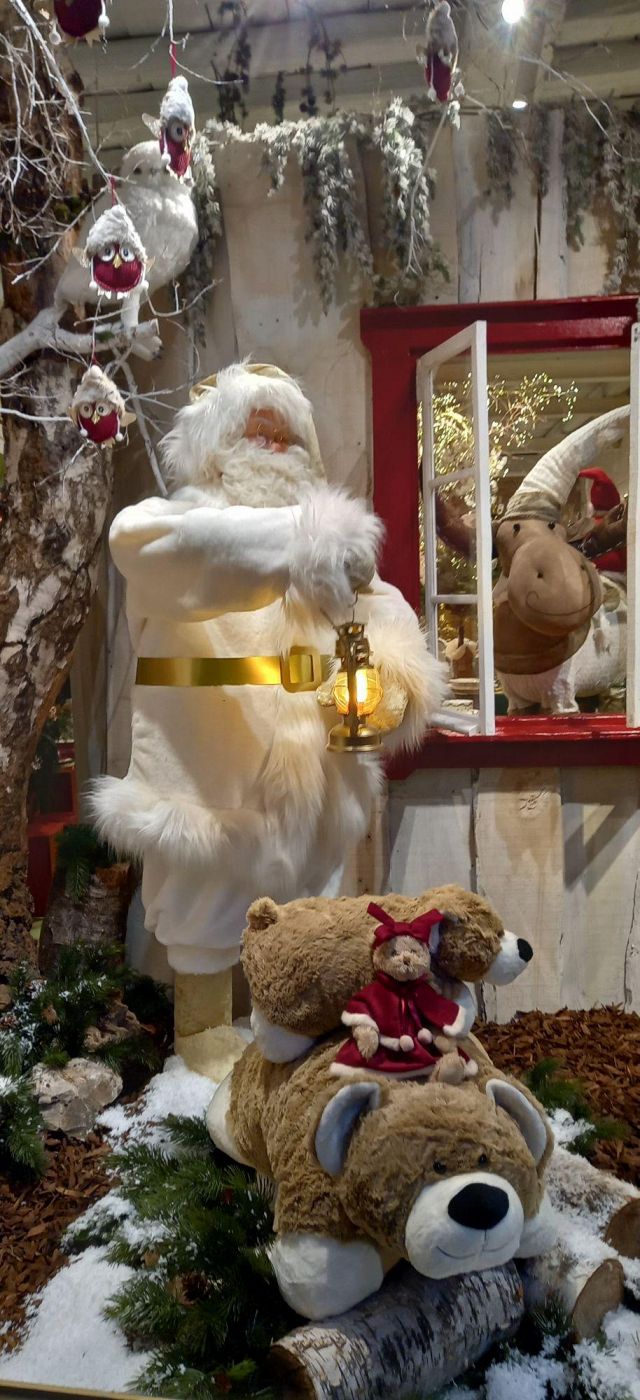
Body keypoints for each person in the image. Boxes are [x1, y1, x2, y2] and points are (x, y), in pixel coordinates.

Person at [92, 362, 445, 1078]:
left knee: (304, 922)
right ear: (212, 445)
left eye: (285, 433)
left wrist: (391, 683)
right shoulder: (170, 530)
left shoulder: (337, 552)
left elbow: (386, 619)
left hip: (316, 781)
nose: (273, 443)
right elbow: (168, 549)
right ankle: (201, 1037)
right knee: (204, 911)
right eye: (254, 430)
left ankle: (292, 1034)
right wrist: (309, 539)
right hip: (209, 773)